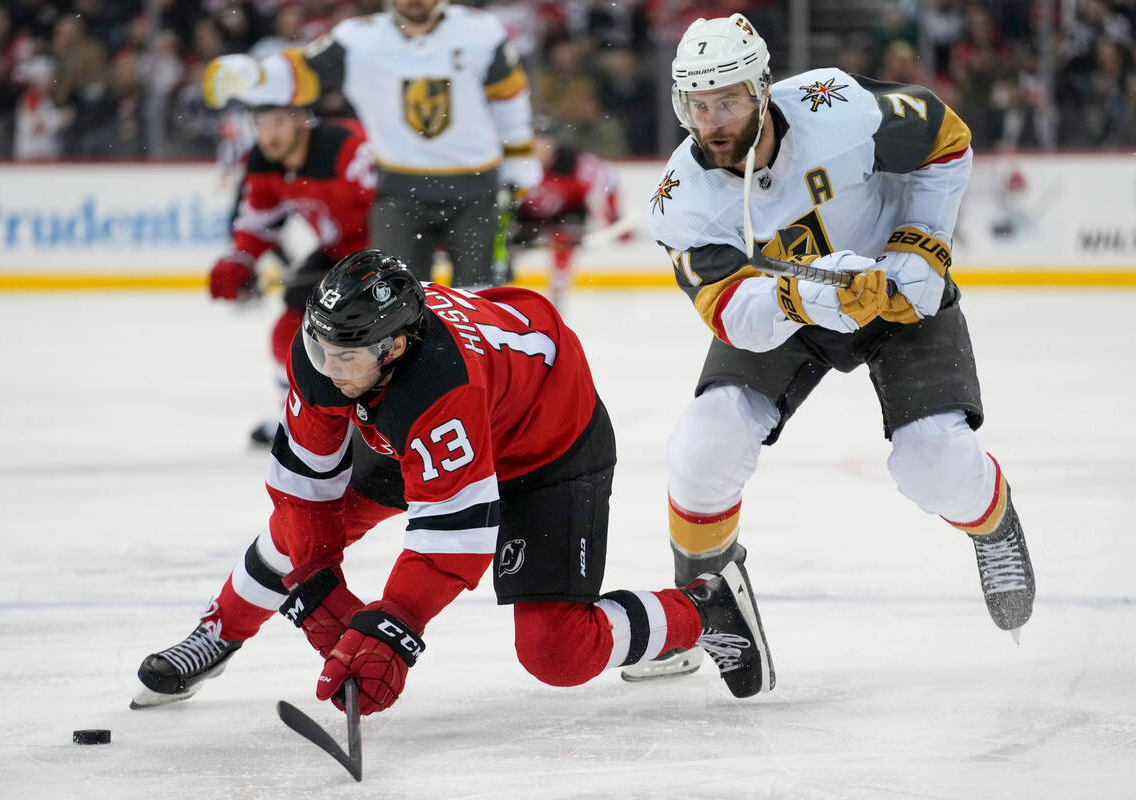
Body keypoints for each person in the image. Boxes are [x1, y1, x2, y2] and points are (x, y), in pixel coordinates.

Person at [131, 249, 773, 713]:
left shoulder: (439, 389)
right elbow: (303, 490)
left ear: (394, 348)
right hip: (437, 414)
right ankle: (220, 629)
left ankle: (704, 606)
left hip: (547, 444)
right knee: (297, 533)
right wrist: (315, 581)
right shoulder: (331, 356)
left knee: (556, 653)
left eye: (343, 358)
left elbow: (451, 540)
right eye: (319, 351)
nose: (326, 370)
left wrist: (392, 629)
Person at [622, 14, 1035, 681]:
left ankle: (994, 524)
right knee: (701, 447)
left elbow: (945, 137)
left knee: (933, 465)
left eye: (727, 100)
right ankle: (704, 603)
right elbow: (731, 312)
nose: (714, 121)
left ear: (761, 91)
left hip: (896, 294)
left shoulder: (835, 106)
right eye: (698, 106)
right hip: (789, 316)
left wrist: (921, 245)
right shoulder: (681, 200)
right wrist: (816, 297)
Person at [201, 0, 542, 288]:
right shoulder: (360, 40)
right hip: (398, 191)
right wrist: (256, 77)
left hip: (477, 190)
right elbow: (303, 73)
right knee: (396, 303)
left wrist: (517, 158)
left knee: (480, 302)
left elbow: (509, 101)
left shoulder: (481, 33)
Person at [208, 103, 378, 445]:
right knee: (290, 325)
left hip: (383, 251)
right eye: (260, 124)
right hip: (338, 253)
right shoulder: (262, 162)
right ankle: (295, 415)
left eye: (277, 122)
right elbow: (259, 221)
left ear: (301, 119)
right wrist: (241, 259)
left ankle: (377, 414)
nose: (268, 135)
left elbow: (395, 200)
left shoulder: (345, 147)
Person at [508, 116, 624, 307]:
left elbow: (608, 179)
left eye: (545, 142)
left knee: (565, 235)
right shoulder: (517, 164)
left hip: (566, 215)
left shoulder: (576, 163)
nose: (539, 147)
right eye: (534, 141)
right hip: (526, 217)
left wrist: (612, 216)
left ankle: (558, 292)